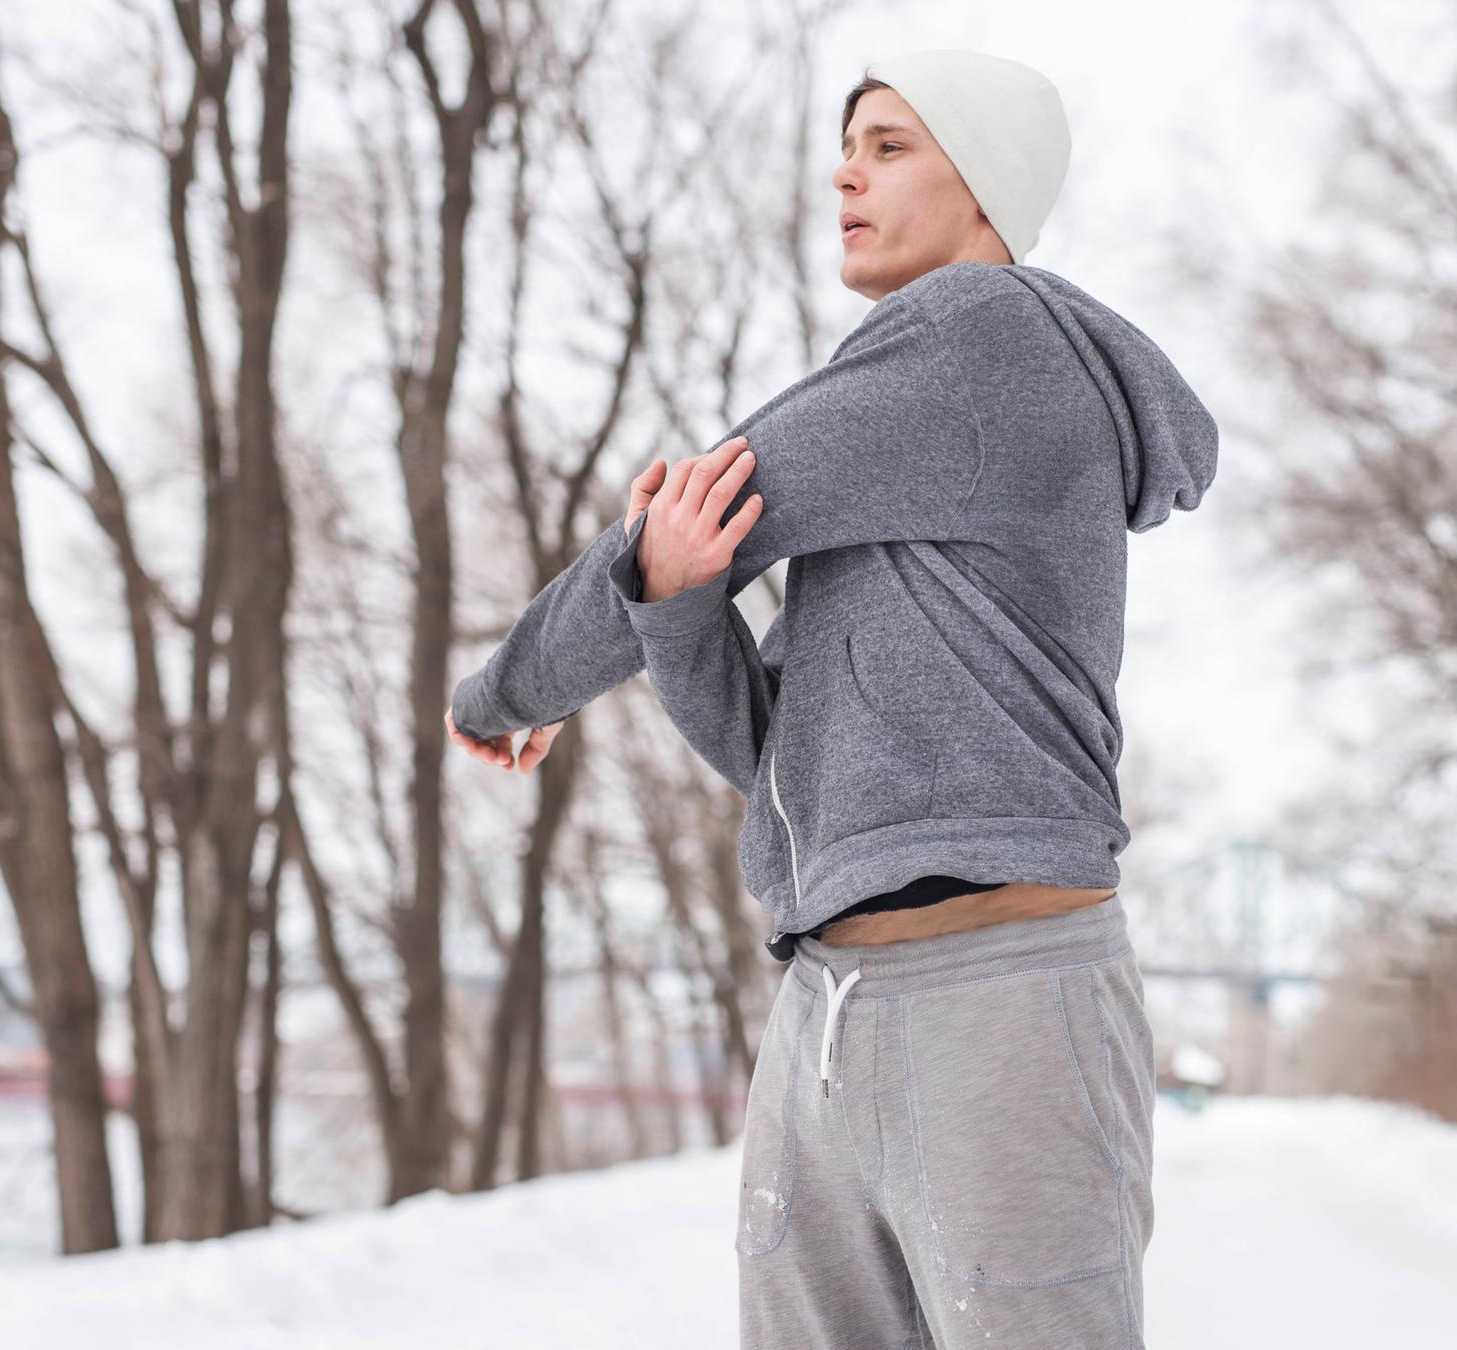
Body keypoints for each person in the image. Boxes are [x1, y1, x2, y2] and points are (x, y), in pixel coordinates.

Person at [447, 47, 1217, 1349]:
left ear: (983, 181)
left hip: (997, 995)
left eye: (890, 146)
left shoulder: (976, 336)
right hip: (828, 1005)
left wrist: (504, 686)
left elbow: (702, 499)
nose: (844, 173)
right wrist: (675, 597)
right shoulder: (908, 464)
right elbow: (769, 747)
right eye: (847, 146)